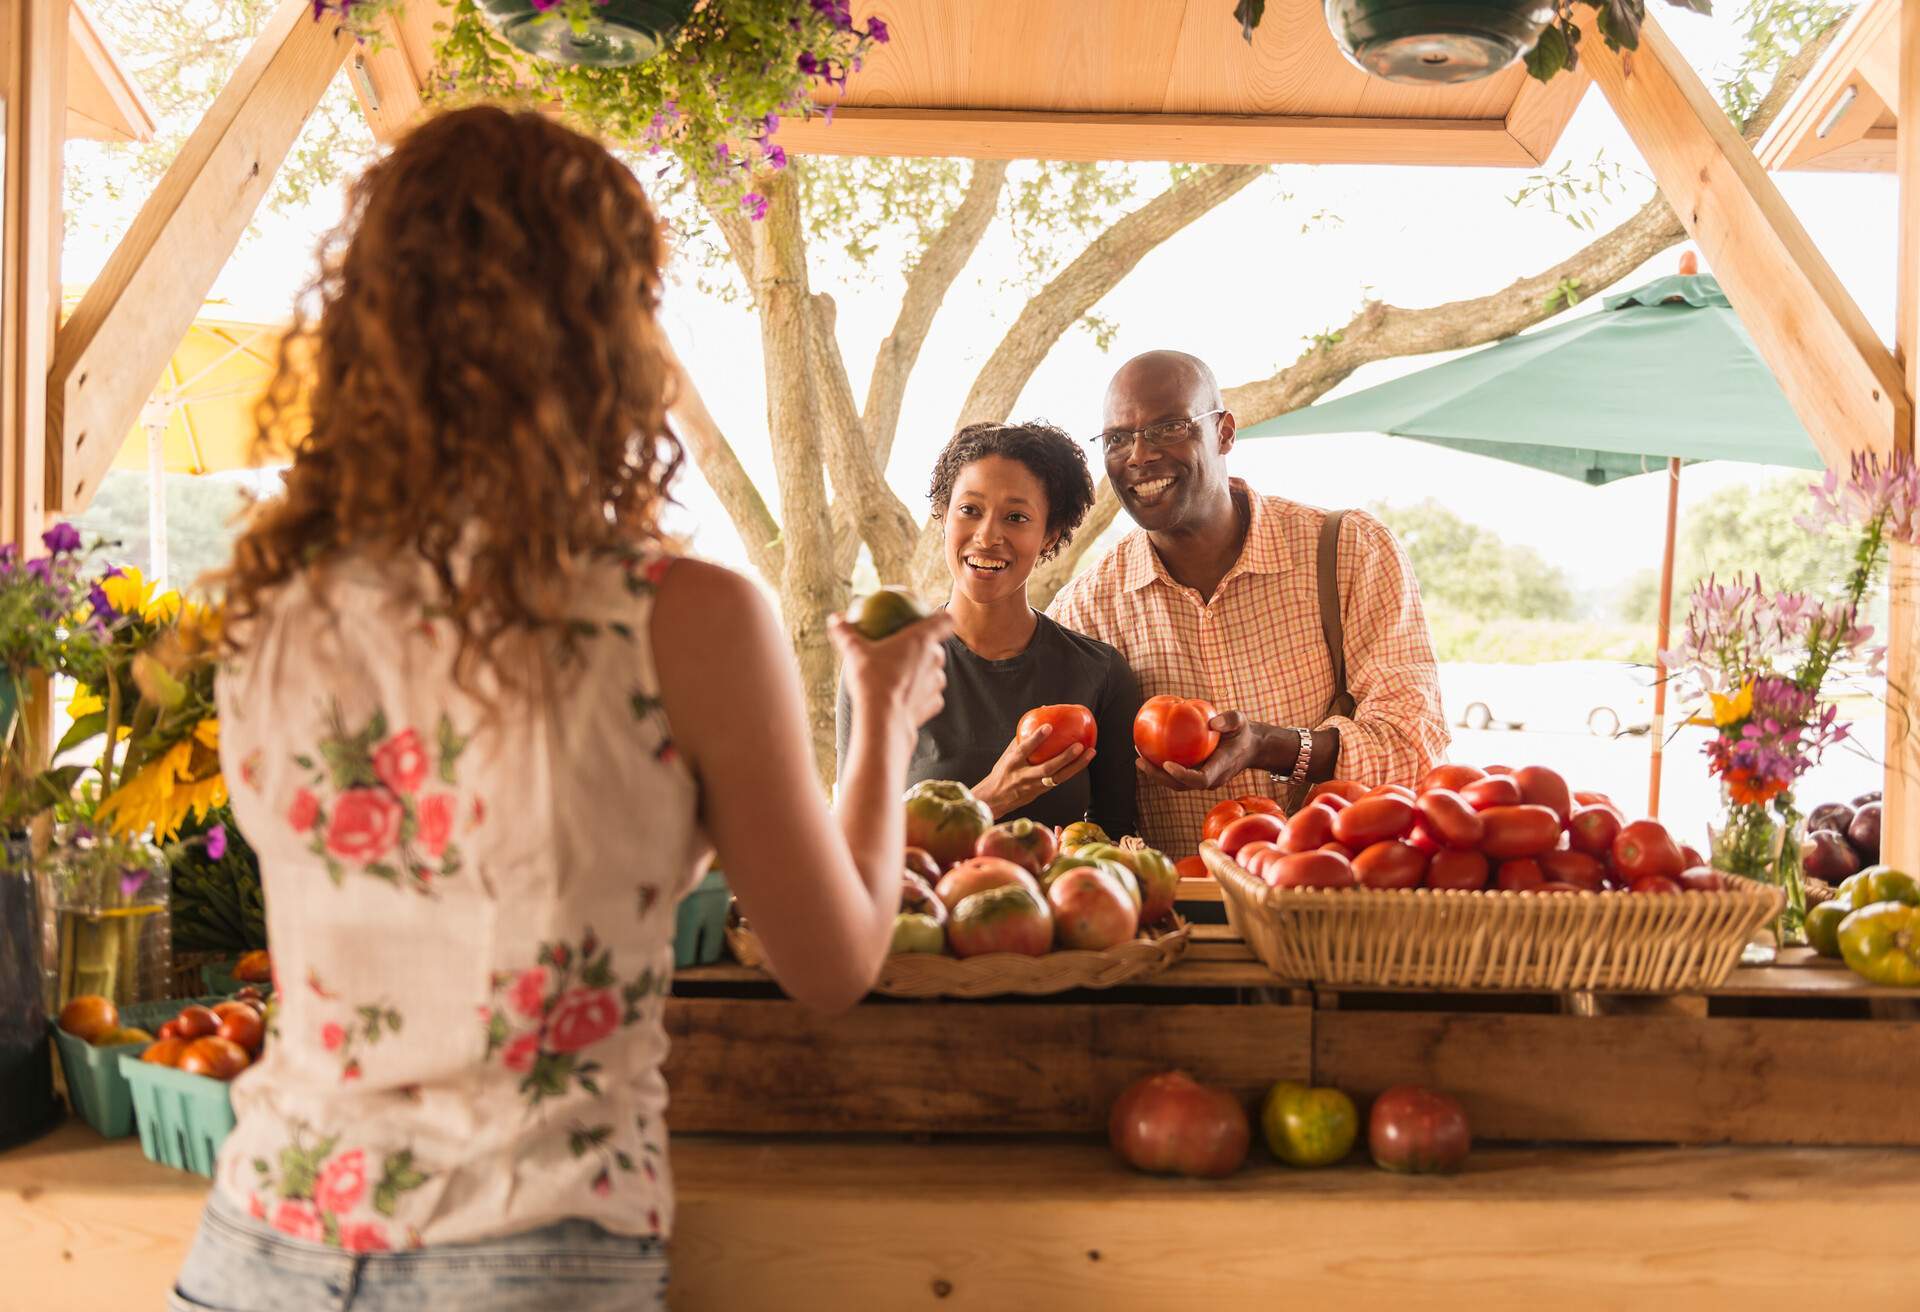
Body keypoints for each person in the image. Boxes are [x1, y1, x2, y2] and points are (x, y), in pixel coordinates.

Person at [170, 107, 951, 1312]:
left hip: (261, 1243)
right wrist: (884, 717)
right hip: (527, 1248)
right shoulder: (681, 616)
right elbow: (833, 961)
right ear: (608, 338)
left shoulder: (277, 602)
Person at [1049, 350, 1447, 855]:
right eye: (1117, 438)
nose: (1139, 455)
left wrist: (1269, 746)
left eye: (1169, 427)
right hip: (1175, 919)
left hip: (1336, 901)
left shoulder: (1348, 550)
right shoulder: (1085, 608)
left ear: (1225, 433)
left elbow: (1414, 747)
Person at [837, 422, 1140, 838]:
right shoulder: (883, 666)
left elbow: (1117, 843)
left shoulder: (1100, 673)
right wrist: (993, 797)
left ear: (1050, 533)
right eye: (970, 510)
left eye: (1016, 517)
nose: (987, 536)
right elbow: (854, 843)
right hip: (917, 904)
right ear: (943, 515)